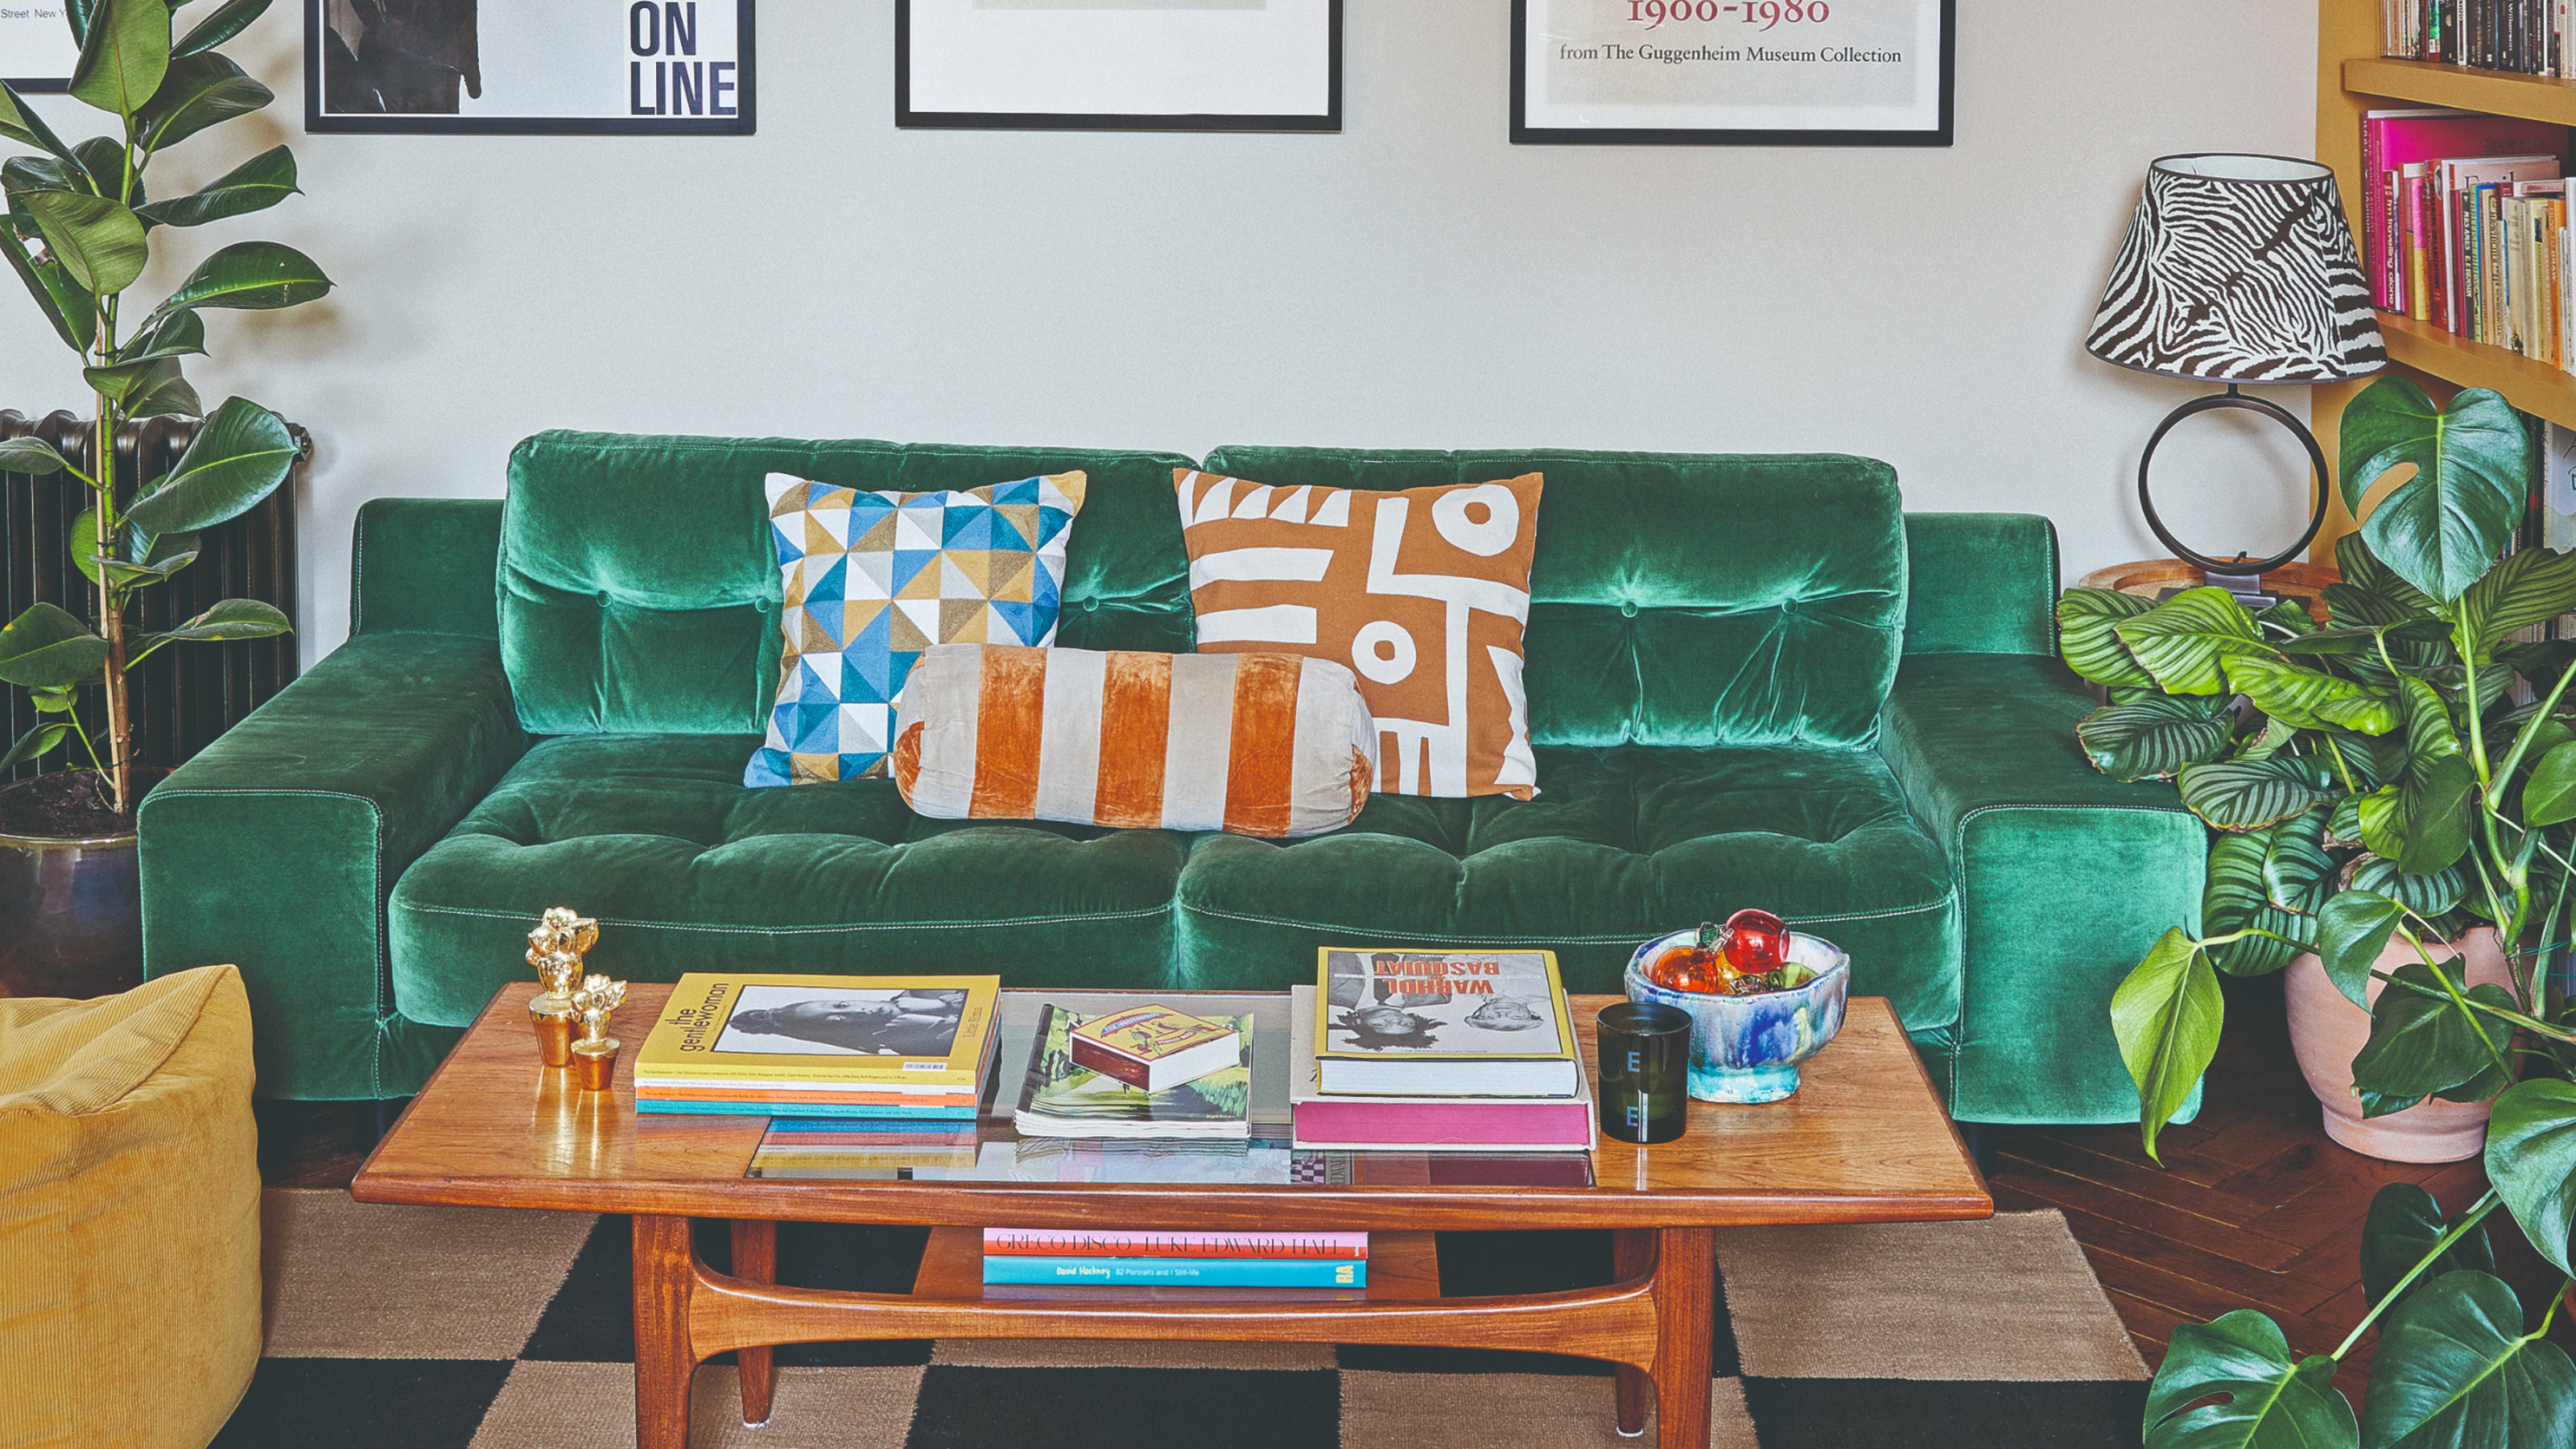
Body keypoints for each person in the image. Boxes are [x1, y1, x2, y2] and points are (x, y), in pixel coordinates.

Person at [728, 992, 964, 1056]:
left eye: (841, 1005)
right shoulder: (910, 1046)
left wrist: (940, 1002)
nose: (857, 1011)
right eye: (838, 1020)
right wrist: (938, 1018)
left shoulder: (922, 990)